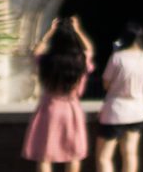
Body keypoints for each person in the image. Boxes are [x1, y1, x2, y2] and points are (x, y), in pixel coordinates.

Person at [21, 15, 92, 172]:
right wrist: (78, 31)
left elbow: (36, 51)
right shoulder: (80, 60)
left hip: (49, 109)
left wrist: (50, 32)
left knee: (45, 154)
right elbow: (89, 50)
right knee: (73, 154)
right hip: (71, 109)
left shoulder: (47, 60)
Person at [94, 22, 143, 172]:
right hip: (137, 110)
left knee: (104, 156)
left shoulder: (117, 58)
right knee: (130, 153)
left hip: (115, 110)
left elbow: (106, 84)